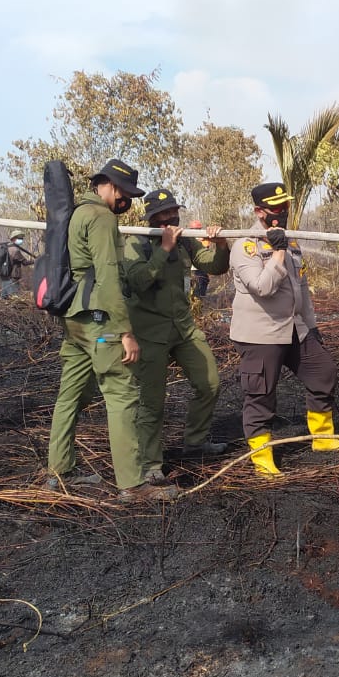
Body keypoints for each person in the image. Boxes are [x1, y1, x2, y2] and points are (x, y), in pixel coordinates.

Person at [46, 159, 177, 501]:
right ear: (111, 186)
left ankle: (59, 472)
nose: (128, 202)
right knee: (122, 394)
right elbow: (106, 276)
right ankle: (132, 485)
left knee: (69, 395)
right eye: (127, 194)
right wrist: (125, 332)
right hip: (98, 322)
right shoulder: (101, 217)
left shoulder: (76, 213)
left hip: (74, 321)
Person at [229, 181, 339, 478]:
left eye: (285, 206)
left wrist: (312, 327)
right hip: (260, 334)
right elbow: (263, 287)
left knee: (323, 372)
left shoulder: (292, 242)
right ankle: (262, 457)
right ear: (259, 212)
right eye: (276, 208)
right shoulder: (244, 246)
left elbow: (302, 291)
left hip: (295, 329)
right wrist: (278, 253)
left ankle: (323, 437)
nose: (282, 213)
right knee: (261, 394)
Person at [123, 189, 231, 479]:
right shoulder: (136, 242)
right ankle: (151, 464)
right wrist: (164, 249)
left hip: (183, 329)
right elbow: (138, 281)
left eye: (174, 211)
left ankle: (195, 443)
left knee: (209, 382)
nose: (172, 216)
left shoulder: (185, 241)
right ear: (151, 217)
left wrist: (221, 245)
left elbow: (214, 266)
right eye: (164, 213)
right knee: (152, 401)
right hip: (150, 334)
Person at [0, 229, 34, 300]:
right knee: (15, 297)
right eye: (20, 238)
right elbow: (25, 262)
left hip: (5, 274)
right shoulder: (15, 250)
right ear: (14, 239)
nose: (21, 240)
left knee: (4, 296)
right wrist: (36, 261)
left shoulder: (6, 247)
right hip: (13, 275)